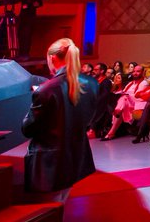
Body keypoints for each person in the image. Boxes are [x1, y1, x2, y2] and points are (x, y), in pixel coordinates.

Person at [22, 38, 96, 195]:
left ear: (52, 57)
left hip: (51, 162)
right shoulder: (91, 83)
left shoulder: (46, 90)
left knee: (48, 205)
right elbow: (88, 118)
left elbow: (28, 129)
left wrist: (38, 99)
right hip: (75, 156)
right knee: (61, 200)